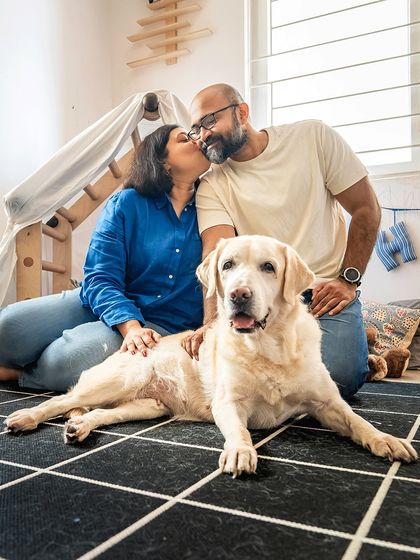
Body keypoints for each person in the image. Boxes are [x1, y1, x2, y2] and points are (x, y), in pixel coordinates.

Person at [182, 83, 381, 400]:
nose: (203, 136)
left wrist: (349, 280)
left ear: (242, 113)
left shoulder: (313, 137)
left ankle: (355, 349)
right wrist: (211, 322)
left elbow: (366, 208)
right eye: (195, 129)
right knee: (240, 381)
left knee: (342, 377)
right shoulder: (211, 184)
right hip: (261, 299)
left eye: (208, 121)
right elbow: (216, 253)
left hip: (323, 295)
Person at [0, 124, 210, 392]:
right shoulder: (126, 203)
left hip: (162, 323)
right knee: (7, 327)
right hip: (97, 301)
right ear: (163, 161)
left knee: (63, 363)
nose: (197, 141)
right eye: (185, 139)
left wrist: (137, 329)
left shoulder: (214, 209)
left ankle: (21, 376)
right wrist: (129, 326)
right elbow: (101, 275)